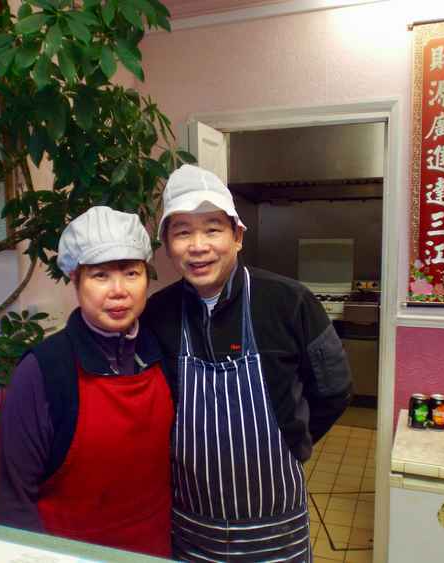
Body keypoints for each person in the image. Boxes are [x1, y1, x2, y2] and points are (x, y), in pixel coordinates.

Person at [143, 164, 353, 561]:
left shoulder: (290, 302)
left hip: (276, 527)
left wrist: (294, 439)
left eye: (212, 229)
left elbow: (335, 389)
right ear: (167, 245)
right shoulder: (157, 313)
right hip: (192, 526)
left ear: (237, 236)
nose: (198, 245)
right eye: (182, 231)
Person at [0, 206, 173, 558]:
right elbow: (15, 500)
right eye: (100, 275)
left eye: (131, 272)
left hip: (155, 549)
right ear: (75, 280)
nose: (119, 290)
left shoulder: (161, 353)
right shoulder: (43, 371)